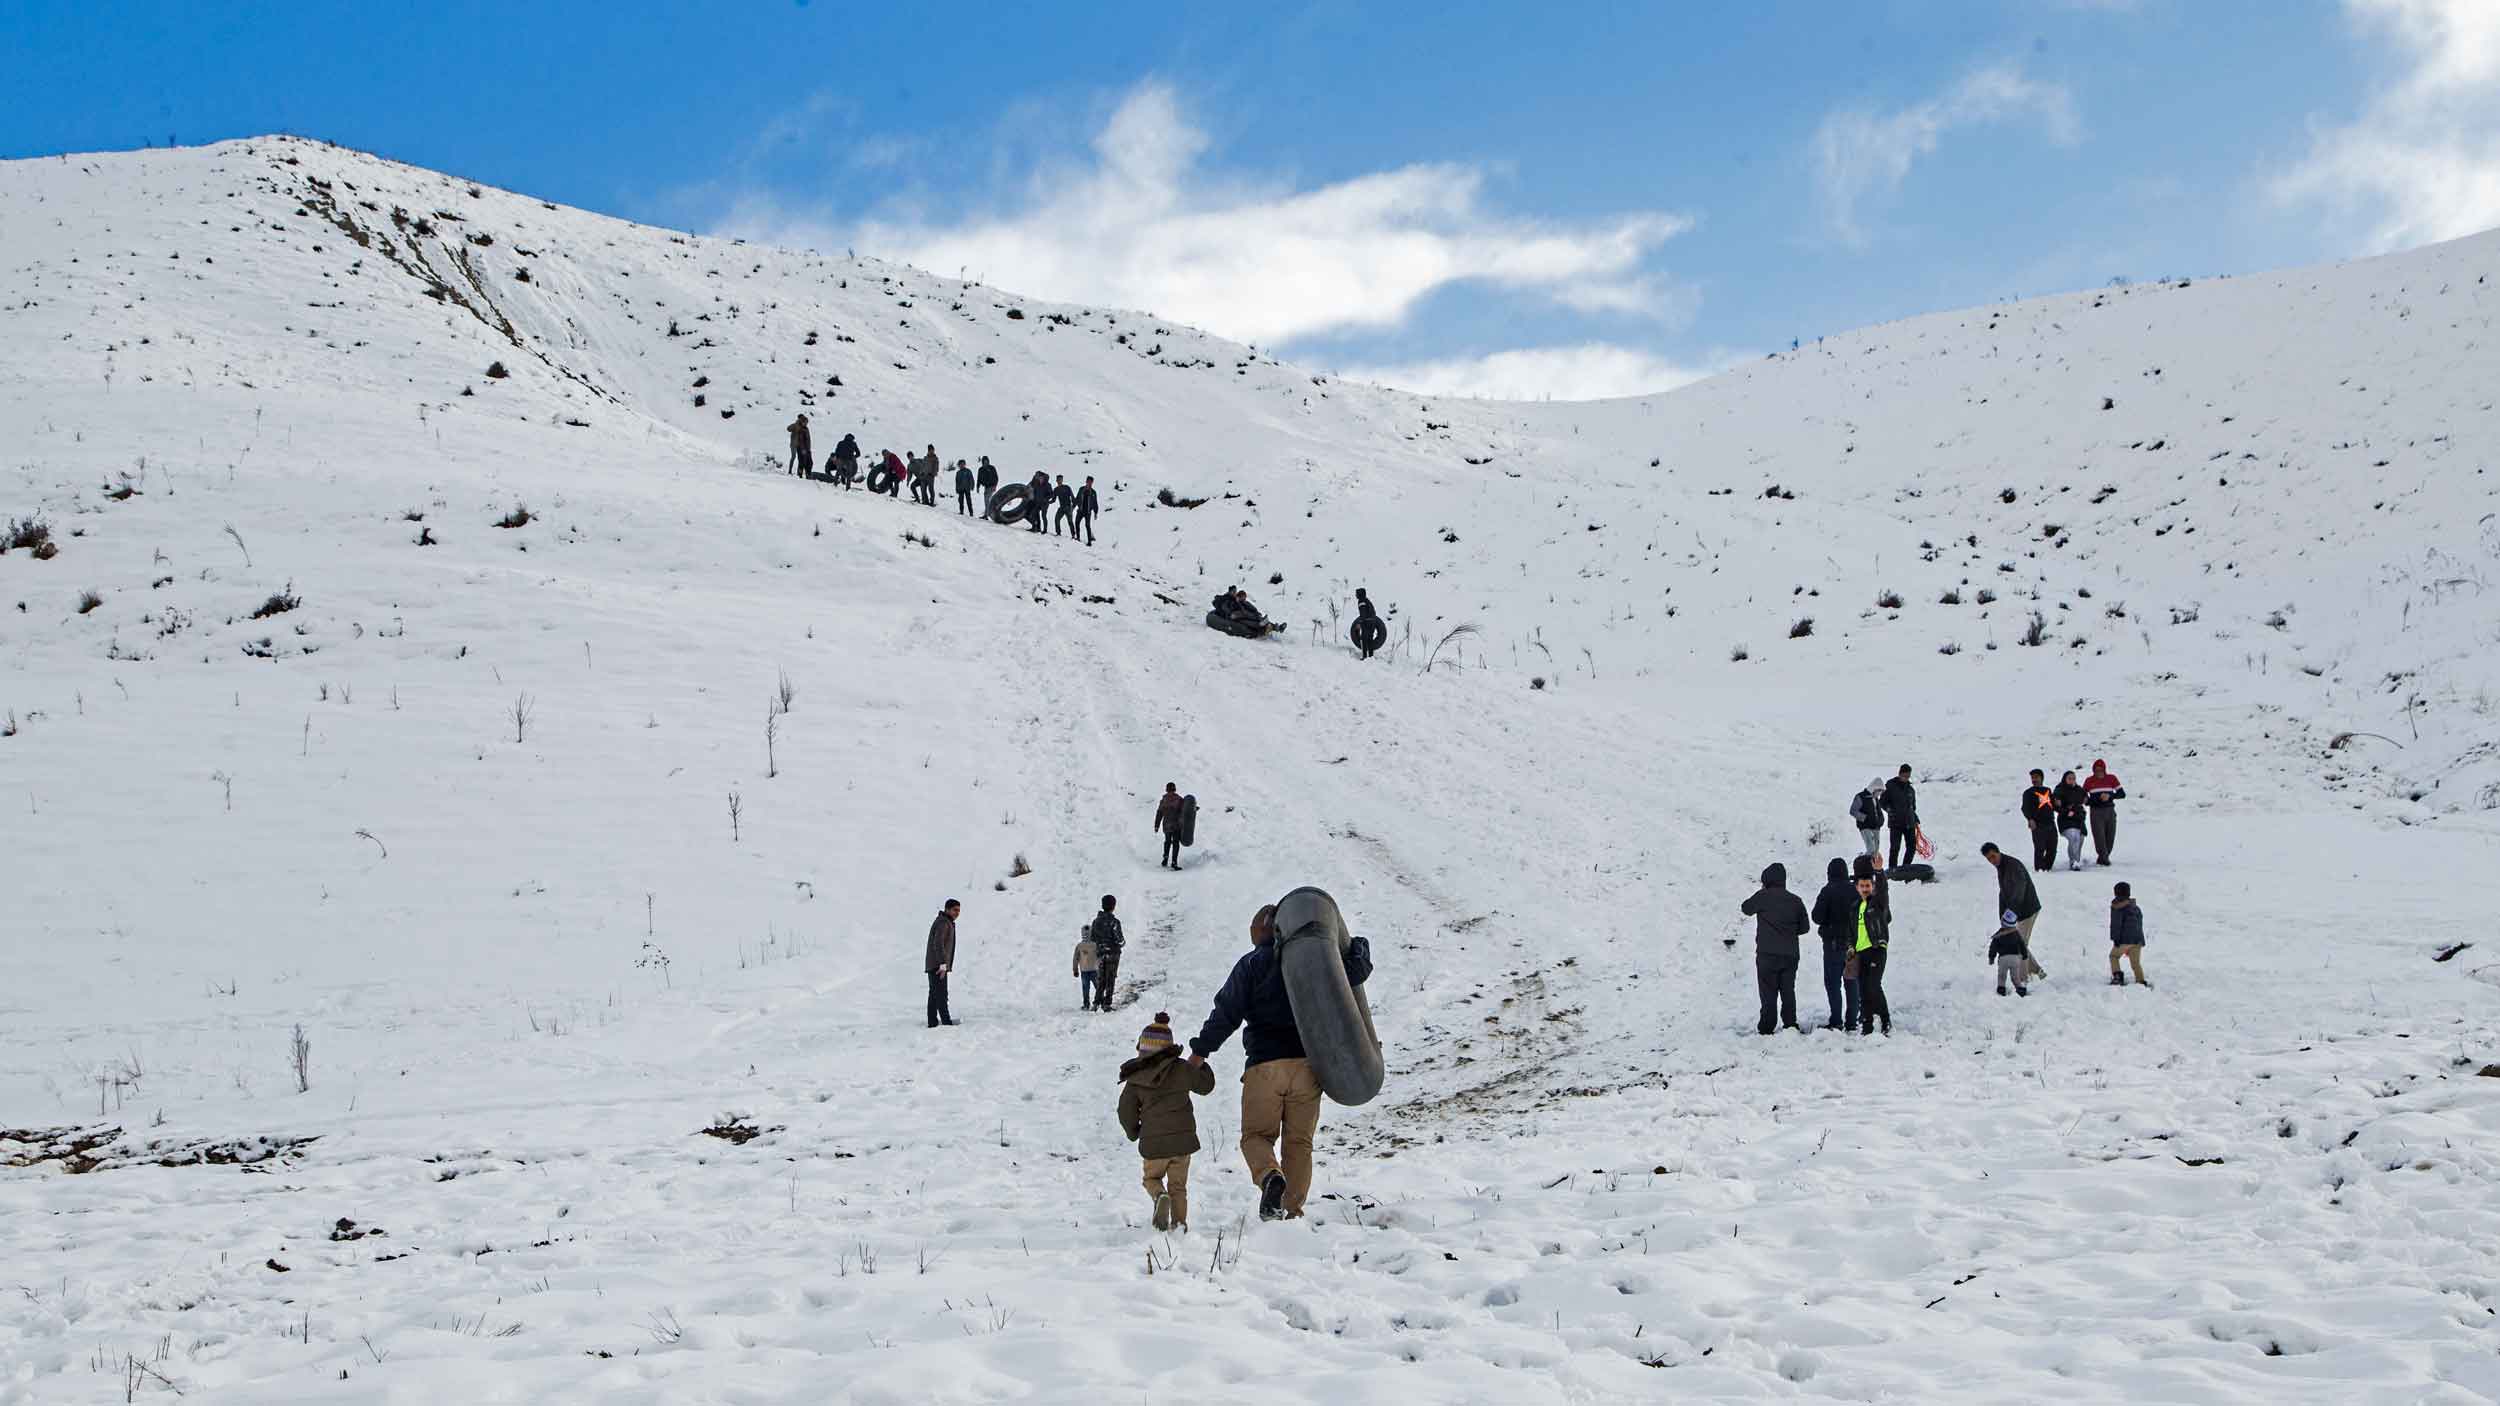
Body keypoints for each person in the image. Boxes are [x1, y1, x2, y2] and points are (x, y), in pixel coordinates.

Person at [1187, 904, 1373, 1222]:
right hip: (1308, 1067)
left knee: (1256, 1137)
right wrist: (1358, 945)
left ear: (1263, 929)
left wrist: (1199, 1052)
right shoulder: (1312, 962)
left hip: (1265, 1068)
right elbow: (1355, 972)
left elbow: (1226, 1013)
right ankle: (1292, 1213)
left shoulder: (1251, 964)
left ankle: (1270, 1177)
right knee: (1299, 1143)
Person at [1119, 1013, 1215, 1232]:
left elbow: (1125, 1111)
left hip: (1153, 1144)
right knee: (1178, 1187)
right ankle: (1179, 1225)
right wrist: (1200, 1065)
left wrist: (1134, 1132)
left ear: (1142, 1047)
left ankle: (1159, 1195)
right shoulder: (1181, 1068)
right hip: (1182, 1143)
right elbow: (1206, 1086)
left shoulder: (1136, 1078)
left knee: (1151, 1178)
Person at [1740, 864, 1809, 1035]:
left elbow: (1746, 908)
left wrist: (1762, 893)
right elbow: (1805, 928)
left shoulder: (1763, 896)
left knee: (1768, 991)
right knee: (1788, 990)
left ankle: (1767, 1025)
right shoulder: (1795, 900)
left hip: (1767, 954)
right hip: (1790, 954)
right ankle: (1790, 1023)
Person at [1980, 842, 2045, 982]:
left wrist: (2012, 913)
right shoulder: (2001, 867)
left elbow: (2020, 888)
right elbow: (2003, 893)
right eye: (1989, 859)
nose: (1992, 860)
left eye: (1993, 856)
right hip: (2018, 912)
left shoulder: (2012, 865)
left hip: (2028, 910)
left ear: (1998, 852)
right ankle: (2037, 971)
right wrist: (2003, 916)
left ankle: (2022, 981)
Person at [1809, 857, 1860, 1031]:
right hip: (1853, 946)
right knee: (1852, 983)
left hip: (1833, 945)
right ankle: (1852, 1021)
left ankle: (1836, 1020)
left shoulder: (1827, 891)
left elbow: (1816, 916)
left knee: (1833, 984)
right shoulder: (1855, 891)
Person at [1847, 872, 1892, 1035]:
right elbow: (1850, 932)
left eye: (1868, 886)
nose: (1865, 889)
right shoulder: (1854, 907)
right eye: (1862, 886)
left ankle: (1885, 1020)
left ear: (1872, 887)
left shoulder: (1877, 903)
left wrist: (1879, 873)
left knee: (1874, 986)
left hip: (1876, 949)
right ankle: (1867, 1025)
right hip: (1860, 953)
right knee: (1863, 989)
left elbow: (1883, 890)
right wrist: (1850, 946)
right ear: (1857, 888)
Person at [924, 899, 960, 1028]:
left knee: (934, 994)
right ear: (947, 909)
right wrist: (943, 964)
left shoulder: (944, 921)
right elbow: (938, 944)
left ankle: (933, 1022)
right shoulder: (944, 922)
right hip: (938, 966)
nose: (957, 913)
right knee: (941, 994)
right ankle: (946, 1022)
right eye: (955, 910)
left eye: (959, 910)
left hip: (935, 964)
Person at [2083, 760, 2125, 865]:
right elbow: (2083, 796)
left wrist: (2110, 796)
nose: (2099, 772)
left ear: (2104, 769)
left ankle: (2103, 857)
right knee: (2099, 837)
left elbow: (2122, 794)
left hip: (2110, 810)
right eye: (2096, 770)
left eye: (2101, 770)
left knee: (2110, 836)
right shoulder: (2089, 781)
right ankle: (2104, 858)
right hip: (2096, 811)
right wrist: (2093, 800)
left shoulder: (2111, 778)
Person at [1089, 895, 1126, 1011]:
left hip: (1100, 953)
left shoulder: (1095, 922)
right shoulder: (1114, 922)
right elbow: (1120, 940)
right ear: (1113, 906)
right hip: (1113, 954)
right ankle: (1107, 1004)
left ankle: (1096, 1002)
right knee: (1110, 978)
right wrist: (1122, 943)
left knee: (1101, 979)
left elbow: (1092, 938)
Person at [2109, 882, 2149, 986]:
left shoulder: (2118, 907)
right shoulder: (2135, 907)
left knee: (2113, 956)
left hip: (2124, 940)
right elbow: (2139, 923)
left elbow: (2116, 925)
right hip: (2138, 940)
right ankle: (2141, 981)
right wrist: (2137, 940)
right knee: (2135, 963)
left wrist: (2116, 939)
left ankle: (2118, 978)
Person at [1881, 765, 1919, 869]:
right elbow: (1882, 802)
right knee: (1895, 848)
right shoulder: (1890, 786)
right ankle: (1892, 869)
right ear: (1900, 774)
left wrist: (1915, 818)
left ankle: (1906, 867)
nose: (1906, 778)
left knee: (1911, 847)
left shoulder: (1910, 790)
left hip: (1909, 823)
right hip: (1895, 822)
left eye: (1908, 776)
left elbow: (1912, 807)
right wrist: (1889, 810)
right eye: (1905, 776)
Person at [2053, 770, 2091, 871]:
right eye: (2069, 778)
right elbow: (2056, 805)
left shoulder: (2079, 789)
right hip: (2066, 819)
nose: (2072, 780)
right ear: (2065, 779)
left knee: (2080, 838)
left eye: (2073, 778)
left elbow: (2086, 798)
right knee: (2074, 836)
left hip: (2078, 819)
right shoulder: (2059, 789)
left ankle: (2076, 859)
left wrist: (2086, 799)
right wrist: (2065, 810)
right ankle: (2074, 862)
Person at [2021, 770, 2058, 872]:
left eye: (2036, 777)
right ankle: (2039, 869)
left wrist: (2057, 803)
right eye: (2032, 777)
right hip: (2038, 824)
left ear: (2042, 778)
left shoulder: (2048, 790)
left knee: (2052, 848)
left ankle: (2048, 867)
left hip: (2050, 822)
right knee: (2040, 848)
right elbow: (2025, 808)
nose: (2034, 780)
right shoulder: (2028, 793)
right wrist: (2030, 819)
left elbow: (2053, 805)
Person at [1989, 909, 2031, 997]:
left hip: (2003, 959)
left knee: (2002, 975)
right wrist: (2024, 955)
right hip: (2015, 959)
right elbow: (2022, 944)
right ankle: (2020, 989)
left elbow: (1993, 947)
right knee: (2015, 976)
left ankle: (2001, 988)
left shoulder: (1999, 934)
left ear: (2002, 922)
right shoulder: (2016, 934)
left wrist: (1991, 957)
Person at [1849, 779, 1885, 861]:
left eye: (1881, 791)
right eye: (1879, 790)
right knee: (1871, 849)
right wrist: (1865, 818)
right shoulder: (1860, 796)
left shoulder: (1875, 799)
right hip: (1865, 827)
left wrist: (1881, 820)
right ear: (1874, 788)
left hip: (1876, 827)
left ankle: (1873, 866)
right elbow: (1853, 811)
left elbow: (1879, 812)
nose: (1880, 793)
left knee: (1876, 851)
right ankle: (1865, 864)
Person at [1154, 783, 1185, 870]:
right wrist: (1193, 808)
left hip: (1166, 825)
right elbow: (1185, 809)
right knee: (1175, 843)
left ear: (1167, 789)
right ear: (1174, 789)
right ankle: (1174, 862)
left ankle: (1165, 858)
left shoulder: (1164, 800)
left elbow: (1159, 813)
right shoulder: (1179, 799)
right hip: (1176, 825)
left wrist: (1156, 826)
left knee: (1167, 842)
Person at [1351, 589, 1386, 659]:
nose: (1355, 595)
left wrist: (1360, 622)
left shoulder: (1361, 601)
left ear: (1360, 594)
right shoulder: (1367, 600)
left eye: (1357, 594)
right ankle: (1370, 656)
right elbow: (1373, 611)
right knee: (1370, 638)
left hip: (1366, 622)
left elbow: (1363, 612)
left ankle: (1364, 656)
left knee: (1364, 638)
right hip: (1373, 621)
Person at [1074, 928, 1101, 1010]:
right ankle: (1101, 1001)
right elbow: (1099, 957)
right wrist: (1100, 967)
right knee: (1098, 987)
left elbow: (1075, 958)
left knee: (1086, 988)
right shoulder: (1095, 945)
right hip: (1093, 970)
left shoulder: (1080, 946)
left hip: (1085, 971)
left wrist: (1075, 970)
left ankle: (1086, 1004)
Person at [1075, 476, 1100, 545]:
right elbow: (1077, 498)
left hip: (1088, 512)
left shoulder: (1093, 492)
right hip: (1080, 510)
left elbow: (1095, 503)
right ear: (1086, 481)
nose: (1089, 483)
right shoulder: (1081, 489)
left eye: (1091, 482)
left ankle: (1089, 542)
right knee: (1077, 523)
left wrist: (1095, 512)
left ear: (1092, 483)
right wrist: (1073, 506)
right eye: (1088, 481)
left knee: (1087, 526)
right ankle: (1078, 538)